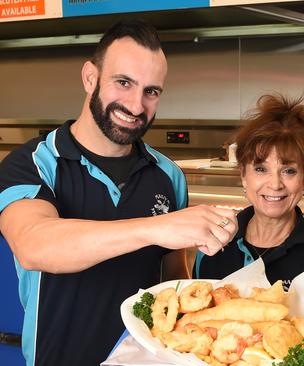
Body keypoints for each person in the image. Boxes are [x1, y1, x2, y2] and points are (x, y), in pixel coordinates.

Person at [0, 19, 237, 366]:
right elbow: (34, 245)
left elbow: (171, 283)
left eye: (151, 91)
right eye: (123, 82)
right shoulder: (35, 163)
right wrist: (157, 226)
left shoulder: (168, 176)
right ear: (90, 77)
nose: (136, 106)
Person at [194, 94, 304, 303]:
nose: (275, 184)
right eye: (260, 169)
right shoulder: (215, 242)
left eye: (289, 171)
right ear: (243, 175)